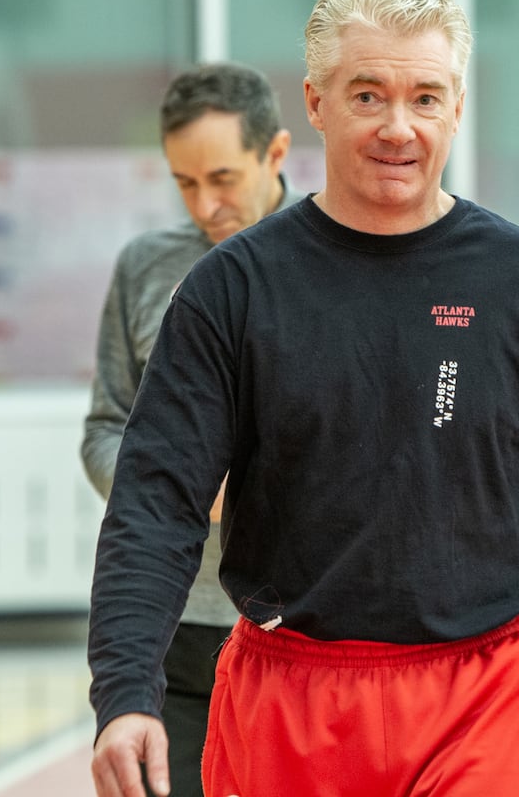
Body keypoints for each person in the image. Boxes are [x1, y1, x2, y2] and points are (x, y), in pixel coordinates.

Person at [87, 0, 519, 797]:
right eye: (368, 95)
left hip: (484, 697)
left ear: (457, 107)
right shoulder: (232, 289)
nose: (400, 126)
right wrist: (125, 694)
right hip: (289, 700)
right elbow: (156, 503)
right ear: (316, 103)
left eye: (425, 97)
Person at [81, 62, 302, 797]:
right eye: (183, 182)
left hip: (302, 635)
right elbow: (107, 426)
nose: (206, 203)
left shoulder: (334, 260)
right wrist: (179, 488)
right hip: (177, 632)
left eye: (222, 177)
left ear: (275, 154)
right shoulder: (146, 268)